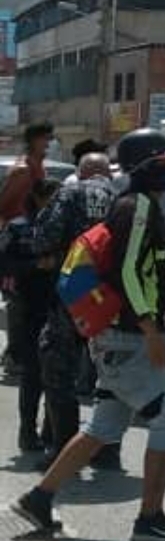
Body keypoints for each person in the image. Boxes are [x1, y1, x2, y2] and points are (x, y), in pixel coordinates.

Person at [11, 128, 165, 541]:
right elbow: (127, 271)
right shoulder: (138, 208)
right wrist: (150, 328)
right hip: (132, 337)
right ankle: (151, 518)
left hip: (118, 337)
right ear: (150, 167)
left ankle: (39, 499)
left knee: (102, 426)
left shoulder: (136, 204)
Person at [33, 152, 117, 466]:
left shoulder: (69, 193)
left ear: (82, 172)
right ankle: (108, 450)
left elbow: (44, 237)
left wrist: (51, 257)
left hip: (75, 296)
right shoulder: (125, 199)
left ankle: (64, 449)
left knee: (58, 370)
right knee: (112, 376)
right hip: (114, 300)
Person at [0, 178, 61, 452]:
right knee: (32, 375)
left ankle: (53, 431)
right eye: (53, 198)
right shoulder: (19, 227)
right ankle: (28, 432)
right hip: (28, 309)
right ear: (38, 197)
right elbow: (4, 264)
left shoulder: (64, 228)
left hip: (60, 309)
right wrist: (36, 265)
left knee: (59, 376)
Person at [0, 122, 54, 381]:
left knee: (30, 304)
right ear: (33, 140)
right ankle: (13, 356)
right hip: (18, 246)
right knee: (17, 304)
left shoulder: (38, 168)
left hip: (35, 243)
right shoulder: (22, 171)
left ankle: (22, 352)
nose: (49, 143)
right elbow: (3, 206)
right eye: (45, 139)